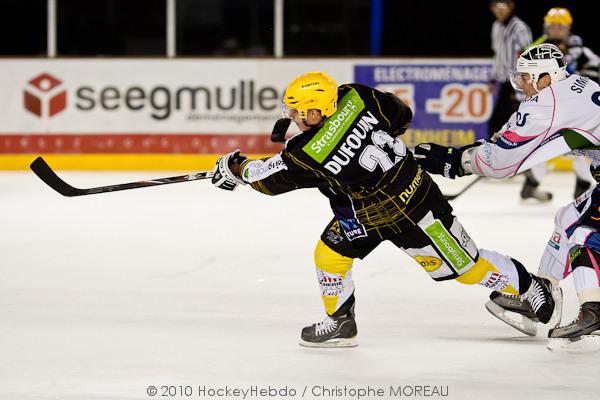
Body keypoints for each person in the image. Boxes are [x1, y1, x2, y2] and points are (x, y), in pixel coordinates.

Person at [210, 71, 555, 348]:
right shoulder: (355, 96)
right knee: (329, 255)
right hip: (373, 210)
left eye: (299, 113)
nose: (295, 119)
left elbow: (267, 179)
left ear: (316, 111)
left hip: (415, 214)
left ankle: (528, 286)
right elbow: (401, 114)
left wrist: (234, 169)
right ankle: (341, 322)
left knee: (467, 269)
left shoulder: (306, 151)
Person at [414, 44, 600, 352]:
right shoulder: (576, 84)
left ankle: (592, 311)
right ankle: (544, 292)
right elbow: (510, 146)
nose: (522, 85)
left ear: (546, 77)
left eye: (527, 78)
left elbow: (500, 161)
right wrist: (467, 153)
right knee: (566, 220)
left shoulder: (547, 103)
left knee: (582, 233)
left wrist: (453, 161)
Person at [529, 7, 600, 198]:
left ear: (568, 28)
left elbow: (595, 65)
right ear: (546, 27)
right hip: (549, 107)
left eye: (561, 26)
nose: (557, 30)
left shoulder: (579, 48)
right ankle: (531, 184)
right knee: (543, 146)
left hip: (576, 108)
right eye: (553, 26)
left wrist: (589, 74)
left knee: (584, 145)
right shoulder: (537, 48)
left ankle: (582, 188)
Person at [488, 0, 551, 201]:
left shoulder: (520, 27)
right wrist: (492, 78)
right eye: (496, 4)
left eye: (503, 3)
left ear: (511, 6)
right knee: (499, 122)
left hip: (517, 83)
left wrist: (525, 82)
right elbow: (498, 55)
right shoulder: (496, 26)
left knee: (519, 124)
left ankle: (515, 166)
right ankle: (503, 163)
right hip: (503, 81)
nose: (499, 7)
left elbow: (528, 55)